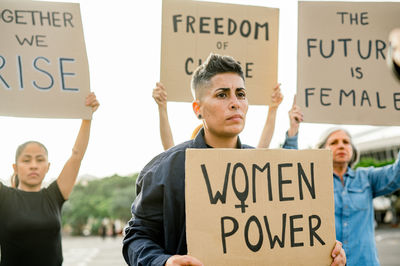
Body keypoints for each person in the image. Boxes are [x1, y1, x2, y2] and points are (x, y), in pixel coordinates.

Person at [123, 54, 346, 266]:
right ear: (197, 108)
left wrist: (325, 254)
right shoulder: (163, 170)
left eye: (240, 94)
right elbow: (136, 237)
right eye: (222, 94)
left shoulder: (267, 168)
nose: (235, 103)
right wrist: (164, 262)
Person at [0, 93, 99, 265]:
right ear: (15, 167)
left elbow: (76, 156)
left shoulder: (54, 195)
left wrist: (87, 118)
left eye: (39, 160)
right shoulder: (4, 197)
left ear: (47, 167)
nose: (33, 165)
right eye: (26, 160)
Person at [314, 127, 400, 266]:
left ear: (352, 149)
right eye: (334, 142)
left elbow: (396, 174)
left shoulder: (366, 177)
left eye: (346, 142)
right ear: (322, 150)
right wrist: (293, 131)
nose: (341, 145)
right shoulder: (313, 181)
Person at [152, 81, 289, 150]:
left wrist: (273, 109)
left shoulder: (244, 160)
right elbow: (169, 149)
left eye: (241, 94)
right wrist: (162, 107)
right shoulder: (185, 163)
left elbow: (262, 149)